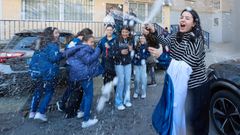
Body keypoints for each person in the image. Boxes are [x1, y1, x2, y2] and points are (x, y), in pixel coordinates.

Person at [147, 8, 209, 135]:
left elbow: (186, 65)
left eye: (187, 18)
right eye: (181, 17)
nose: (183, 20)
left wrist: (163, 57)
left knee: (196, 122)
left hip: (195, 88)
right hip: (180, 85)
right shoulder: (176, 35)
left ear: (194, 23)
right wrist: (153, 30)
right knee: (181, 117)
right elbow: (165, 41)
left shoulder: (197, 40)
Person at [64, 34, 103, 128]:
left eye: (94, 42)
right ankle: (86, 120)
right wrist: (98, 50)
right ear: (85, 41)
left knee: (86, 94)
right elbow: (88, 60)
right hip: (85, 75)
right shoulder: (84, 48)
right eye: (91, 42)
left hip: (79, 75)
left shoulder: (78, 47)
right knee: (89, 95)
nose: (93, 44)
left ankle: (81, 111)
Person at [28, 27, 62, 121]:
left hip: (38, 72)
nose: (58, 34)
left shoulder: (41, 44)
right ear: (51, 35)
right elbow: (54, 59)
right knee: (49, 92)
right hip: (48, 73)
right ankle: (41, 112)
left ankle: (32, 112)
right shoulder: (52, 45)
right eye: (56, 33)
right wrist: (61, 54)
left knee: (38, 92)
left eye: (58, 33)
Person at [56, 28, 93, 112]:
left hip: (76, 67)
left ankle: (74, 106)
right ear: (85, 35)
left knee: (75, 87)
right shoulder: (76, 41)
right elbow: (67, 51)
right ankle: (65, 104)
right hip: (73, 67)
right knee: (73, 87)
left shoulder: (77, 41)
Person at [111, 26, 134, 110]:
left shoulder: (131, 40)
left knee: (127, 82)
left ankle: (126, 100)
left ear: (128, 33)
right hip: (119, 63)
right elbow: (112, 52)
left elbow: (133, 51)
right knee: (121, 82)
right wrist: (120, 52)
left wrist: (131, 50)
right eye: (123, 32)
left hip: (128, 63)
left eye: (126, 32)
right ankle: (118, 102)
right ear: (121, 32)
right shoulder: (116, 40)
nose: (125, 33)